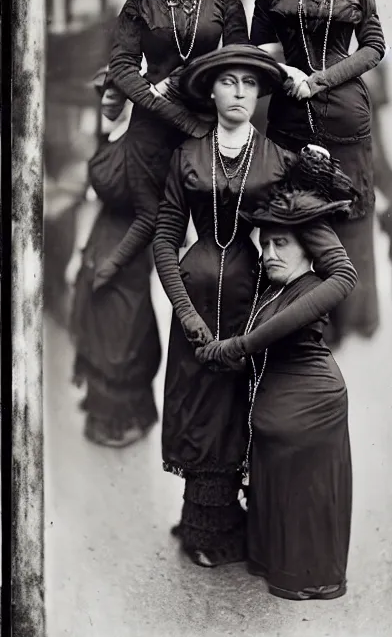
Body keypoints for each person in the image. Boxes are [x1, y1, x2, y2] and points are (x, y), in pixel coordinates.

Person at [153, 44, 297, 569]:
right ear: (210, 91)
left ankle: (234, 522)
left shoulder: (280, 159)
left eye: (250, 84)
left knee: (240, 406)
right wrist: (186, 314)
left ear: (260, 95)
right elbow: (165, 238)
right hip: (193, 294)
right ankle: (202, 525)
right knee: (198, 405)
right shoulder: (186, 156)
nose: (239, 92)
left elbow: (308, 236)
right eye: (228, 81)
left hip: (252, 300)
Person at [196, 146, 359, 600]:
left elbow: (343, 275)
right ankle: (272, 557)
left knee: (303, 501)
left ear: (309, 249)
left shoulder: (311, 289)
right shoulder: (276, 289)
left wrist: (239, 347)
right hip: (282, 404)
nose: (269, 252)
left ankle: (306, 576)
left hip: (310, 403)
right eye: (265, 243)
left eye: (280, 243)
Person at [250, 0, 386, 344]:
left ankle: (349, 324)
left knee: (347, 223)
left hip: (347, 116)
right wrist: (282, 71)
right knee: (292, 219)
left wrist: (321, 80)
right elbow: (259, 52)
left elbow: (373, 47)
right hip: (288, 118)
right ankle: (298, 325)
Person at [93, 0, 249, 291]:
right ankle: (114, 279)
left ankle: (211, 316)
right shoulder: (139, 2)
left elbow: (237, 66)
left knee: (214, 229)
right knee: (156, 221)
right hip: (150, 130)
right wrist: (153, 97)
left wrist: (185, 86)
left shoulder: (225, 3)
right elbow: (123, 67)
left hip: (203, 125)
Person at [65, 67, 161, 447]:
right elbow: (91, 200)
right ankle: (100, 408)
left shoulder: (142, 146)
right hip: (101, 236)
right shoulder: (106, 139)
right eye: (105, 93)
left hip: (130, 247)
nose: (108, 100)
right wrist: (79, 253)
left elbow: (152, 214)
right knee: (97, 322)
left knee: (125, 331)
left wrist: (116, 260)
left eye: (118, 94)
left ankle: (124, 419)